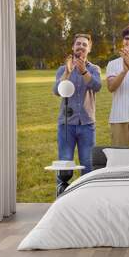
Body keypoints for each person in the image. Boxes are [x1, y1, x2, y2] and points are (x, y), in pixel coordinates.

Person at [53, 33, 102, 177]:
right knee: (64, 165)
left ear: (89, 49)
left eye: (84, 44)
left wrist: (83, 71)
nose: (81, 46)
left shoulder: (94, 69)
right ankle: (62, 195)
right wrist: (67, 73)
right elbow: (57, 91)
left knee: (87, 165)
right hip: (66, 124)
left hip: (87, 124)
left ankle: (86, 197)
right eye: (78, 44)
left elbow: (97, 86)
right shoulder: (62, 70)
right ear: (73, 47)